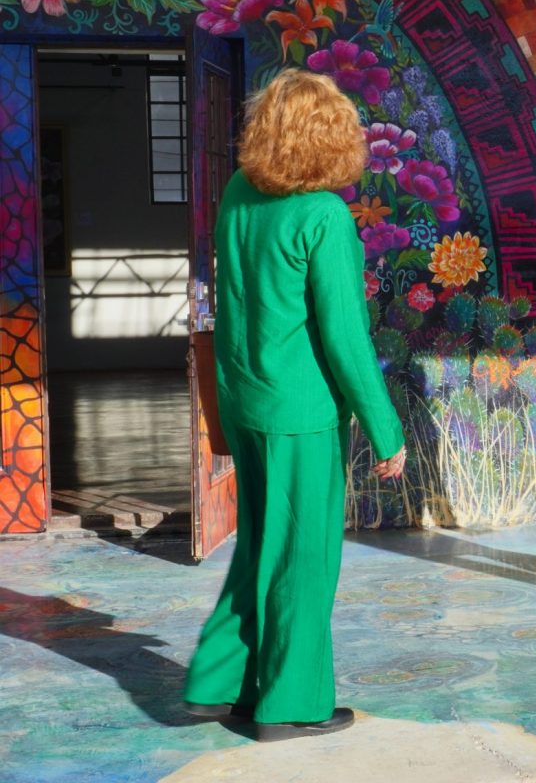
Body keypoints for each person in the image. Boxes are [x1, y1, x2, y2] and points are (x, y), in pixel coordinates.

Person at [182, 69, 407, 741]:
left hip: (246, 399)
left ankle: (219, 683)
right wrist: (386, 429)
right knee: (303, 557)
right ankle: (291, 703)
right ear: (332, 136)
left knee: (260, 545)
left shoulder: (238, 192)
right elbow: (345, 336)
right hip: (301, 412)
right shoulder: (324, 215)